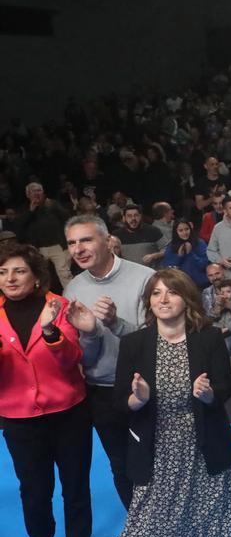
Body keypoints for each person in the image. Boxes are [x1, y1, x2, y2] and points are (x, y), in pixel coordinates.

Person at [107, 269, 231, 537]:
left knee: (210, 507)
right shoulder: (134, 344)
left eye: (170, 293)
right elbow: (120, 403)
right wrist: (139, 399)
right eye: (156, 294)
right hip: (157, 444)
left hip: (205, 439)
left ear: (186, 299)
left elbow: (223, 389)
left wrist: (206, 396)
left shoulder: (209, 338)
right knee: (157, 512)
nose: (162, 300)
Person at [0, 244, 105, 537]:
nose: (10, 278)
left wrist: (49, 332)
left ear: (35, 276)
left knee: (76, 484)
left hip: (69, 412)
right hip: (19, 418)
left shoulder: (56, 306)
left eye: (18, 271)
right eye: (3, 272)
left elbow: (72, 357)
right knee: (33, 487)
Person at [63, 214, 156, 510]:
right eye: (71, 243)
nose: (78, 249)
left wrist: (116, 323)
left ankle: (172, 531)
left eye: (86, 240)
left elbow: (155, 344)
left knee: (159, 463)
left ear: (108, 241)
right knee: (120, 465)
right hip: (101, 392)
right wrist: (91, 334)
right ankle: (140, 530)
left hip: (146, 387)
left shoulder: (145, 278)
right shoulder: (73, 290)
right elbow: (84, 358)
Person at [162, 219, 211, 288]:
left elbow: (205, 265)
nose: (184, 232)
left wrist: (191, 253)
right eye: (181, 230)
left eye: (187, 229)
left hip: (202, 285)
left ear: (190, 229)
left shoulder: (200, 243)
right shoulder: (171, 246)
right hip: (182, 286)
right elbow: (168, 269)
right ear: (176, 232)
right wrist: (179, 256)